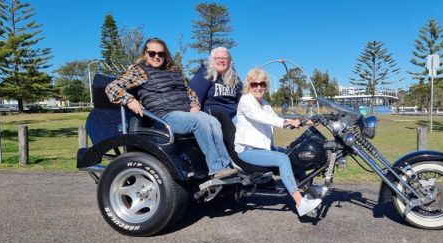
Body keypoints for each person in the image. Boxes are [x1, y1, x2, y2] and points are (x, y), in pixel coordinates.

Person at [105, 38, 236, 179]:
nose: (157, 56)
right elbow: (111, 87)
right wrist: (130, 100)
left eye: (161, 54)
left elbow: (189, 92)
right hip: (164, 117)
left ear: (165, 55)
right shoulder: (139, 71)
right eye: (152, 53)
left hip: (185, 114)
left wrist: (194, 106)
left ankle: (226, 167)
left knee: (213, 121)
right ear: (145, 54)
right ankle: (217, 169)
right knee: (201, 121)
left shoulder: (174, 71)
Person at [234, 68, 322, 217]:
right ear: (249, 85)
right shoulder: (246, 100)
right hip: (247, 151)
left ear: (266, 86)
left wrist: (303, 121)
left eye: (262, 84)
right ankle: (300, 203)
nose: (259, 87)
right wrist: (285, 122)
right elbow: (262, 118)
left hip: (264, 149)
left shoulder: (265, 103)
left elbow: (277, 118)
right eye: (254, 84)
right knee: (282, 158)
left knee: (293, 153)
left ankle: (309, 190)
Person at [188, 47, 242, 118]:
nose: (221, 61)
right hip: (211, 118)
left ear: (229, 61)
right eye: (218, 58)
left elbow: (242, 99)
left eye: (225, 58)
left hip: (233, 117)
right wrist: (195, 112)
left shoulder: (235, 78)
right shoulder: (205, 74)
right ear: (212, 60)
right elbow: (193, 96)